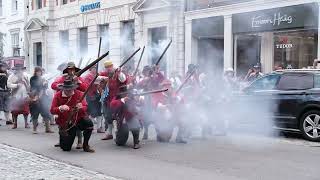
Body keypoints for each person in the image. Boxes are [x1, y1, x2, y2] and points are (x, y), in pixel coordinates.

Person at [50, 79, 95, 153]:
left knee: (89, 123)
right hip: (66, 123)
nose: (69, 91)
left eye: (70, 89)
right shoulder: (58, 95)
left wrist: (81, 107)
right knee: (65, 148)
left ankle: (86, 145)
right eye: (67, 90)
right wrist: (60, 108)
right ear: (63, 89)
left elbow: (85, 107)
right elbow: (52, 110)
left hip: (78, 119)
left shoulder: (79, 94)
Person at [51, 62, 88, 149]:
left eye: (72, 69)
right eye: (69, 69)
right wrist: (60, 85)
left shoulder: (79, 78)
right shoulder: (63, 78)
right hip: (62, 101)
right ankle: (62, 140)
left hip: (76, 100)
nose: (71, 71)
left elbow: (85, 88)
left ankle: (79, 141)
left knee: (77, 120)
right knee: (62, 123)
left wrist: (77, 81)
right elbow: (53, 85)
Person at [152, 79, 187, 143]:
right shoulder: (158, 94)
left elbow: (182, 100)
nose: (168, 88)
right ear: (162, 87)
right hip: (162, 118)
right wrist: (166, 106)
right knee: (165, 139)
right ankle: (160, 134)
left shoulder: (174, 93)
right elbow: (156, 105)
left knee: (183, 121)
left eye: (169, 86)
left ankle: (179, 137)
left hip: (173, 116)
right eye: (166, 86)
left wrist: (176, 99)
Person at [101, 61, 128, 140]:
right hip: (109, 98)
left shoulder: (119, 73)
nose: (108, 69)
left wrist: (119, 72)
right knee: (108, 116)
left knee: (118, 117)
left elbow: (123, 80)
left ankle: (118, 133)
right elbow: (98, 79)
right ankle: (109, 133)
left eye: (109, 67)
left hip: (118, 98)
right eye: (106, 67)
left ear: (112, 66)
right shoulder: (107, 75)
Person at [29, 67, 54, 134]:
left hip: (43, 98)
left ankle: (47, 128)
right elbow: (34, 87)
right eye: (37, 71)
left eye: (40, 71)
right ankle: (34, 129)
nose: (39, 73)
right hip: (35, 97)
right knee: (35, 114)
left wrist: (45, 84)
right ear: (35, 72)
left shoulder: (43, 79)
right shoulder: (32, 78)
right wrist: (42, 84)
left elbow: (45, 88)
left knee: (46, 113)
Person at [83, 66, 106, 133]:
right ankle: (91, 128)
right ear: (91, 69)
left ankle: (99, 128)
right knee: (92, 113)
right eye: (93, 68)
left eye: (95, 68)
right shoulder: (87, 76)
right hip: (90, 96)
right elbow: (86, 86)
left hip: (97, 95)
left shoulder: (97, 75)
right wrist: (94, 82)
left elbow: (101, 84)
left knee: (99, 112)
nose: (94, 70)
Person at [7, 64, 30, 129]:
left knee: (26, 111)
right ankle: (15, 124)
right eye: (18, 69)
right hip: (15, 95)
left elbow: (28, 84)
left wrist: (28, 90)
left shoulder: (25, 76)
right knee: (15, 111)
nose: (19, 70)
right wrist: (16, 85)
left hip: (24, 95)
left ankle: (26, 123)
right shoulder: (11, 76)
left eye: (20, 69)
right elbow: (8, 84)